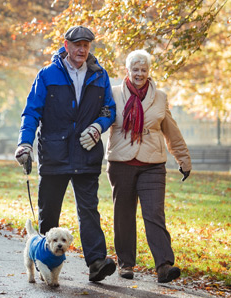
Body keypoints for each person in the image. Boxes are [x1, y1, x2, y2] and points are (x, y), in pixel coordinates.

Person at [15, 25, 117, 282]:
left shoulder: (99, 75)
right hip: (54, 154)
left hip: (86, 153)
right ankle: (44, 260)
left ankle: (96, 263)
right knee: (49, 212)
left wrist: (97, 127)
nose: (82, 49)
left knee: (89, 210)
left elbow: (109, 110)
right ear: (66, 45)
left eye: (86, 45)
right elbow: (31, 112)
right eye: (77, 45)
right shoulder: (47, 75)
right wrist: (24, 144)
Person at [105, 49, 192, 283]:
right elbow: (101, 121)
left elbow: (171, 131)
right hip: (121, 163)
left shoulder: (160, 97)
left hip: (153, 164)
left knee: (154, 213)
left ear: (149, 71)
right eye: (135, 69)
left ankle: (164, 265)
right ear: (128, 71)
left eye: (143, 70)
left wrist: (183, 159)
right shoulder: (113, 94)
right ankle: (125, 264)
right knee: (123, 214)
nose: (139, 74)